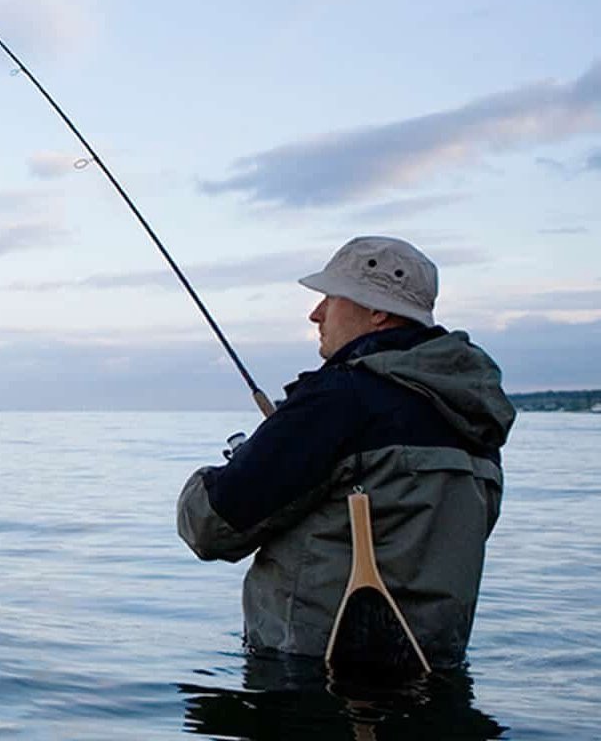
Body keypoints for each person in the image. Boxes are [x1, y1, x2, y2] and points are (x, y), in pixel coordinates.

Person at [176, 236, 515, 669]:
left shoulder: (340, 400)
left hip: (311, 679)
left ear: (376, 311)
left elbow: (209, 526)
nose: (315, 314)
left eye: (331, 299)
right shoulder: (473, 417)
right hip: (436, 670)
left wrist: (240, 464)